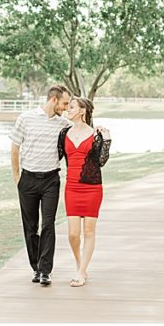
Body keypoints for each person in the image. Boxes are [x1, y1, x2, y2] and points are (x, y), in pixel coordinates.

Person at [9, 85, 72, 287]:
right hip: (27, 180)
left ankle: (45, 271)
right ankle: (35, 267)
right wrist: (17, 177)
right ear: (53, 100)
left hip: (51, 181)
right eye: (64, 103)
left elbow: (79, 134)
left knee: (48, 224)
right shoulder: (26, 118)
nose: (66, 108)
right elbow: (14, 148)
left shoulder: (64, 124)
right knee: (30, 227)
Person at [58, 96, 111, 287]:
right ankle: (81, 264)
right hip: (72, 187)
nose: (68, 110)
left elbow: (101, 162)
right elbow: (56, 156)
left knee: (88, 231)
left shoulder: (96, 134)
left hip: (92, 187)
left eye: (71, 107)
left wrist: (107, 140)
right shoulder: (64, 133)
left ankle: (81, 272)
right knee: (73, 234)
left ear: (82, 111)